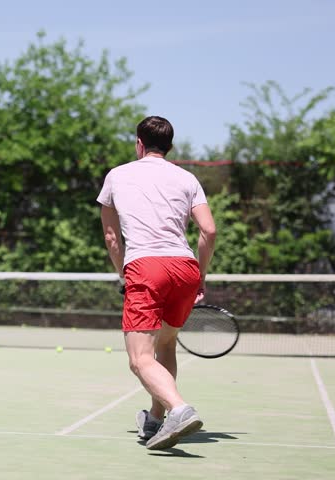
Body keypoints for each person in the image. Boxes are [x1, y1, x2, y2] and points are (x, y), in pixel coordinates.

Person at [96, 115, 216, 450]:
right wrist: (200, 275)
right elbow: (209, 231)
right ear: (170, 146)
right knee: (165, 345)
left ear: (139, 143)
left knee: (139, 359)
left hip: (147, 267)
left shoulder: (117, 176)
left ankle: (179, 409)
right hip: (185, 268)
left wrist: (124, 272)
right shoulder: (187, 178)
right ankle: (154, 420)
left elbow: (110, 235)